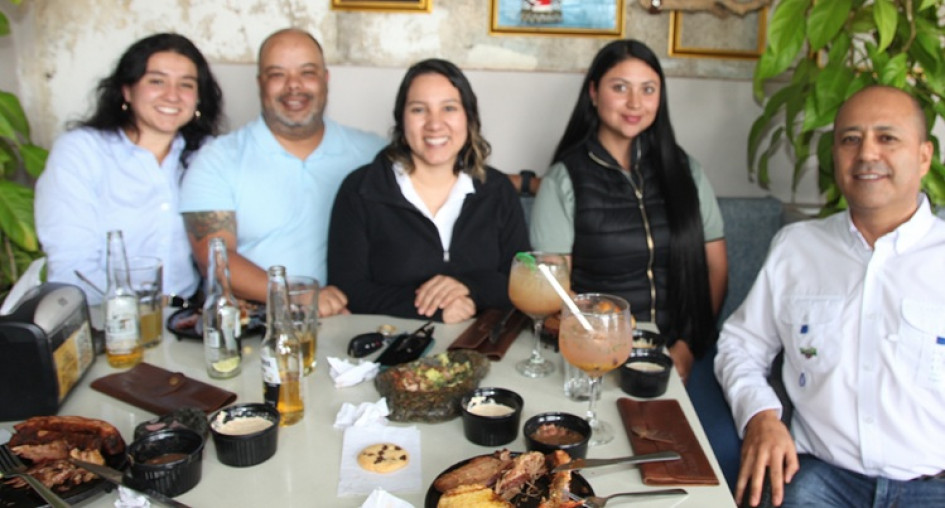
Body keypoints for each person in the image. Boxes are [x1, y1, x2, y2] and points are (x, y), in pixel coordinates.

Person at [715, 85, 945, 507]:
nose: (866, 154)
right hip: (823, 478)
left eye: (887, 138)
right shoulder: (798, 247)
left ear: (925, 155)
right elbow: (739, 345)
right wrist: (761, 416)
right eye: (850, 139)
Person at [529, 39, 727, 380]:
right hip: (596, 356)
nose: (635, 102)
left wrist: (687, 349)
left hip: (674, 352)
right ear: (593, 92)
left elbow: (716, 269)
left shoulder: (686, 171)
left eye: (648, 89)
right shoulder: (565, 179)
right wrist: (602, 347)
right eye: (620, 87)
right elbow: (553, 293)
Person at [178, 28, 385, 316]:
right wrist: (297, 297)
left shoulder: (374, 153)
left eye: (307, 73)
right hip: (258, 324)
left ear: (325, 80)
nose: (293, 87)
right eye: (277, 75)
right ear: (260, 83)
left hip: (361, 319)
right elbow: (215, 260)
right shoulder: (218, 159)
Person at [327, 59, 529, 323]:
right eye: (419, 110)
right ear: (402, 119)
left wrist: (470, 288)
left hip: (480, 347)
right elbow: (348, 289)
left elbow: (522, 280)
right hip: (389, 345)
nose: (435, 124)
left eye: (449, 108)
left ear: (469, 117)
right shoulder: (361, 189)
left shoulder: (498, 190)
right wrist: (434, 309)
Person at [35, 33, 223, 305]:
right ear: (126, 91)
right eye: (156, 81)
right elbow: (71, 269)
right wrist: (149, 306)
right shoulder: (81, 152)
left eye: (186, 85)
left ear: (198, 99)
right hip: (101, 318)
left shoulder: (208, 154)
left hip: (185, 320)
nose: (172, 95)